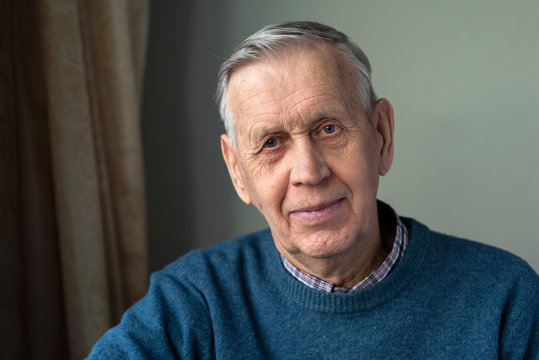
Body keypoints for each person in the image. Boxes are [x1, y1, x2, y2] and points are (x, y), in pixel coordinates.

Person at [88, 21, 538, 359]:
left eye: (327, 128)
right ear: (237, 170)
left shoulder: (505, 299)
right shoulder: (193, 301)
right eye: (271, 143)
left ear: (380, 135)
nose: (308, 171)